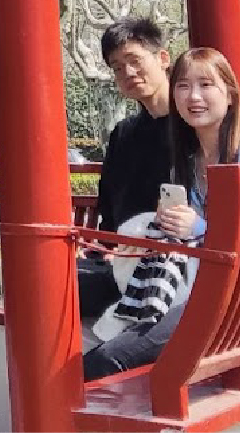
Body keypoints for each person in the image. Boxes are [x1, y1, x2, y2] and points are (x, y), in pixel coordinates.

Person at [81, 48, 240, 379]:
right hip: (195, 291)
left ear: (230, 95)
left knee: (104, 361)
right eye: (183, 86)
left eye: (206, 84)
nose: (193, 96)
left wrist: (201, 228)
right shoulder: (188, 165)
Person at [81, 18, 176, 325]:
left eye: (134, 60)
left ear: (163, 58)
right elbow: (110, 209)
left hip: (168, 266)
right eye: (117, 67)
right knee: (44, 284)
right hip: (123, 260)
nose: (128, 73)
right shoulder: (123, 134)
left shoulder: (191, 129)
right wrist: (103, 249)